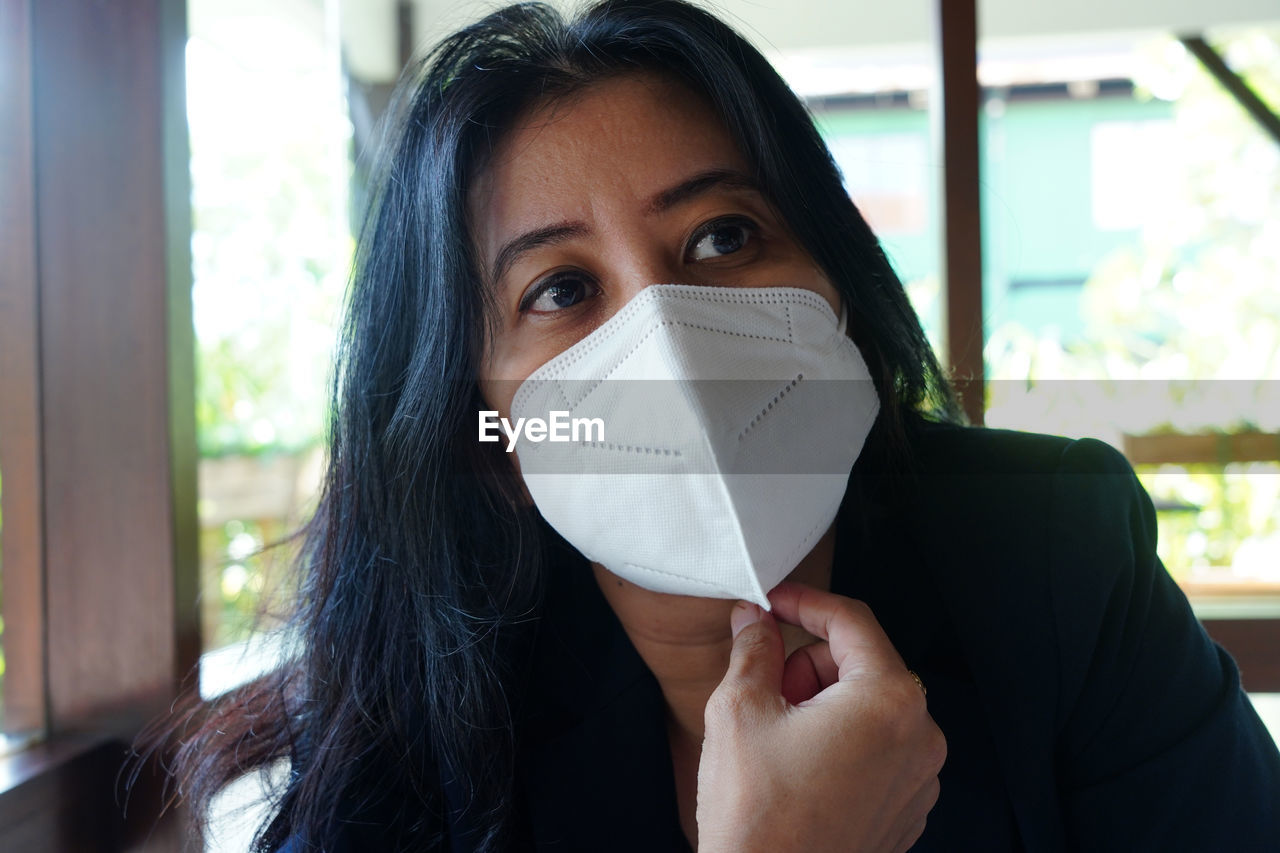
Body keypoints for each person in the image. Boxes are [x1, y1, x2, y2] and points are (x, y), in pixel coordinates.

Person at [158, 1, 1280, 850]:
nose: (668, 340)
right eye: (560, 290)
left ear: (835, 282)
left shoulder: (1048, 548)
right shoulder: (414, 732)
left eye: (719, 239)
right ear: (484, 433)